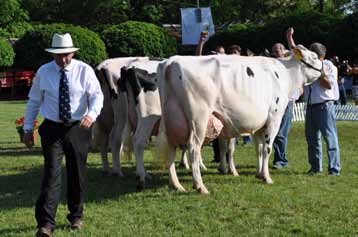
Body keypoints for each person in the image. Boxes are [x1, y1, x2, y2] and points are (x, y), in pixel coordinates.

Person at [23, 33, 104, 237]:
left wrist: (91, 115)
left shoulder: (84, 70)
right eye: (59, 55)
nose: (63, 59)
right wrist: (27, 128)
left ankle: (76, 216)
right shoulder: (44, 72)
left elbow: (97, 96)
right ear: (52, 55)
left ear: (73, 53)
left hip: (78, 128)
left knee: (77, 174)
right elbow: (34, 101)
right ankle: (46, 224)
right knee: (51, 175)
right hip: (51, 129)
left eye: (66, 55)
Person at [287, 27, 341, 176]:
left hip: (325, 105)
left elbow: (328, 84)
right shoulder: (307, 64)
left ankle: (334, 169)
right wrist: (289, 37)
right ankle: (315, 167)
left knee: (329, 137)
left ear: (318, 56)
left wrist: (317, 71)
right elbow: (295, 52)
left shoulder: (328, 65)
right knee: (312, 139)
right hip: (310, 106)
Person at [271, 42, 301, 169]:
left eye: (277, 51)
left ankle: (281, 160)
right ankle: (279, 158)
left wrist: (289, 38)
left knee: (281, 133)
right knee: (274, 132)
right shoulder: (272, 66)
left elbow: (297, 52)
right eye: (273, 51)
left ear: (284, 52)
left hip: (287, 102)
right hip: (274, 102)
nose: (275, 53)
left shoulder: (289, 65)